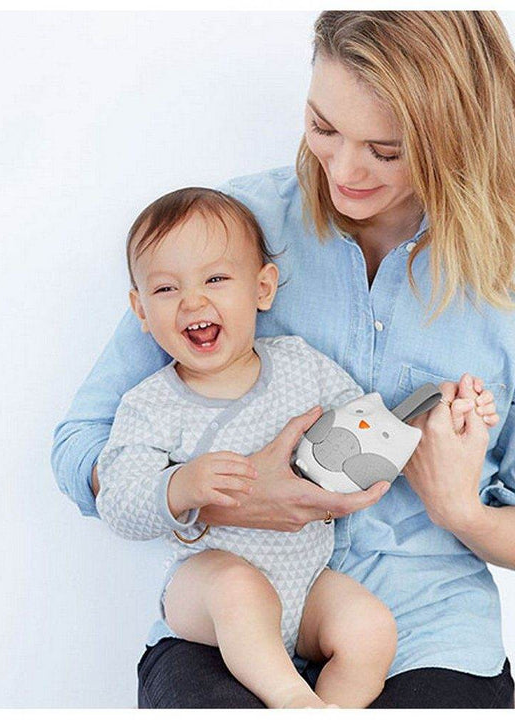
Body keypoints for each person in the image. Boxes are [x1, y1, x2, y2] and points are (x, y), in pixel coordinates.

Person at [52, 11, 515, 709]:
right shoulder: (227, 232)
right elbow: (82, 446)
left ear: (459, 140)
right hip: (232, 616)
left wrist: (463, 511)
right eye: (323, 127)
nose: (342, 169)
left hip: (425, 631)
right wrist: (225, 494)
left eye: (386, 150)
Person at [95, 187, 493, 708]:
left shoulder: (299, 365)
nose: (193, 301)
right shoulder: (150, 405)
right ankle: (293, 702)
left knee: (370, 626)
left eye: (215, 279)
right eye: (166, 288)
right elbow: (117, 503)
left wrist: (431, 409)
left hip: (303, 585)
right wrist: (180, 485)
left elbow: (365, 427)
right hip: (206, 589)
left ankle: (332, 708)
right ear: (141, 310)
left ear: (262, 287)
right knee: (238, 588)